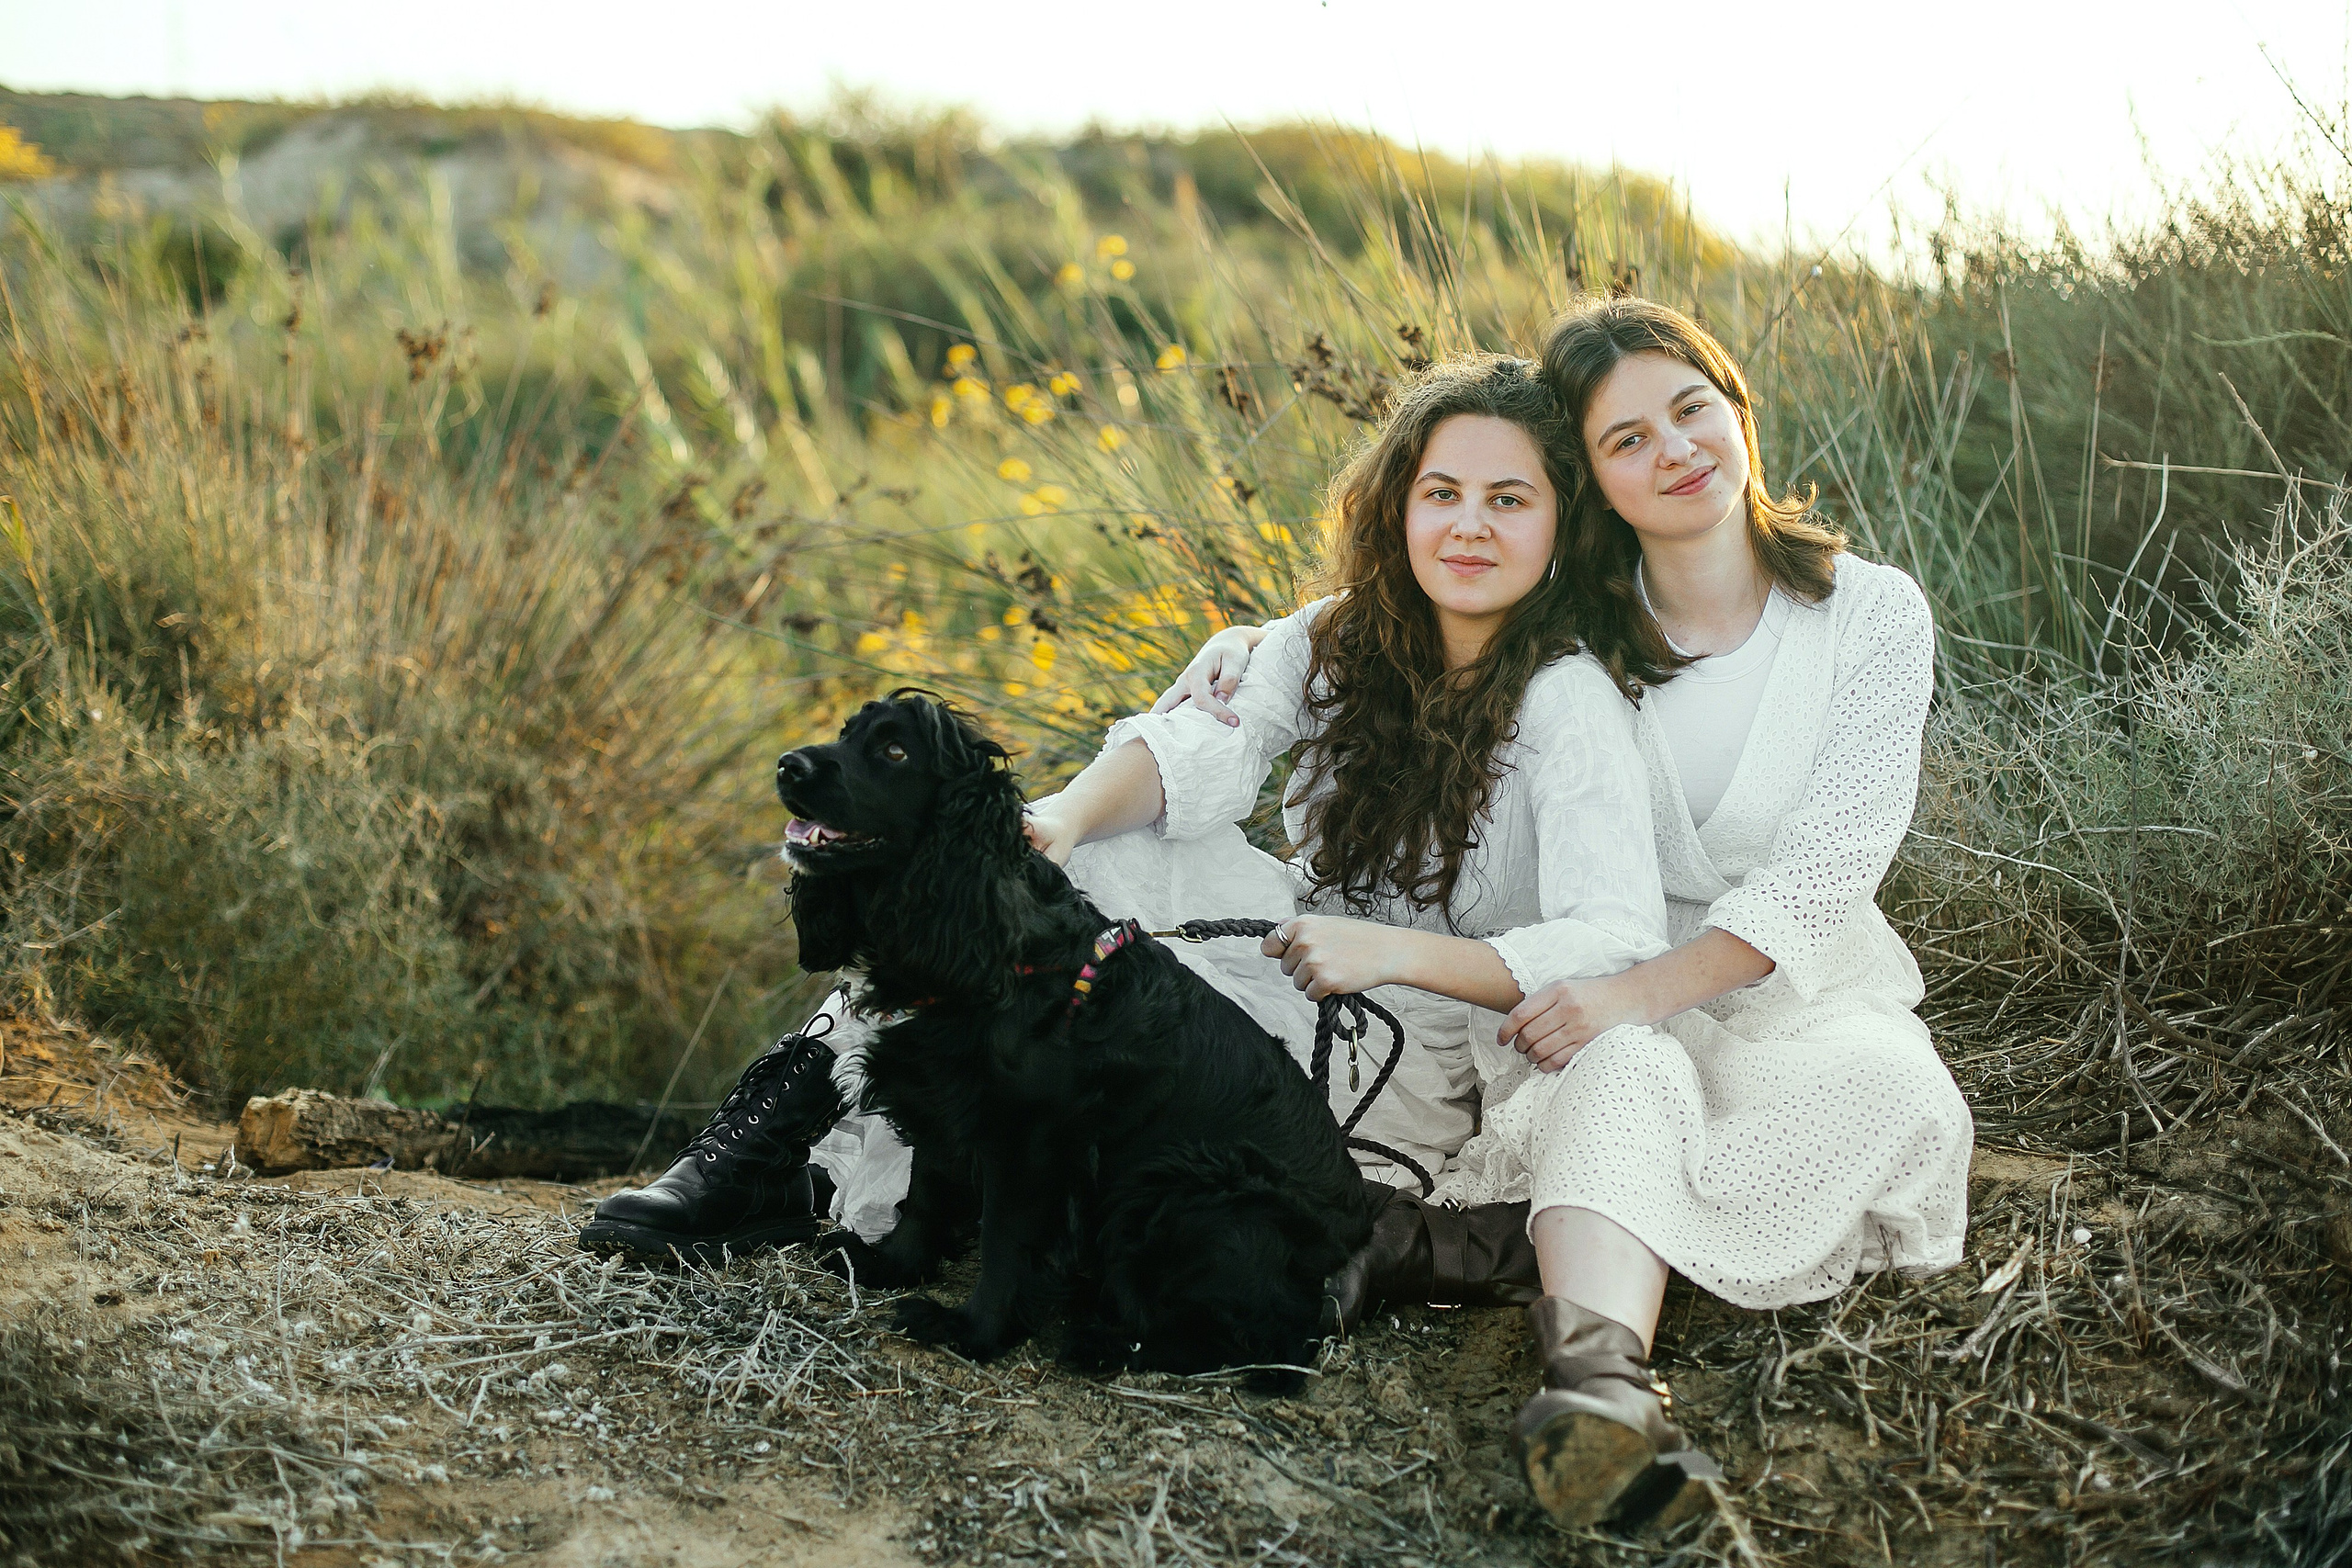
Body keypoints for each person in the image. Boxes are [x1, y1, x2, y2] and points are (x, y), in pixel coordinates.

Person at [592, 351, 1725, 1531]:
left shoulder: (1567, 700)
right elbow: (1203, 756)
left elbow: (1608, 935)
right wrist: (1059, 824)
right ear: (1397, 503)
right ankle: (781, 1123)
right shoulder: (1343, 635)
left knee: (1111, 989)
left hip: (1442, 1019)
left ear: (1559, 524)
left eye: (1510, 500)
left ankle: (1012, 1200)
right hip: (1310, 952)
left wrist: (1388, 954)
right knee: (1082, 862)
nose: (1469, 528)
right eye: (1442, 492)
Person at [1161, 298, 1973, 1527]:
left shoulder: (1870, 612)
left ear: (1735, 406)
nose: (1675, 451)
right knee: (1623, 1076)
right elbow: (1398, 605)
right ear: (1593, 481)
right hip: (1586, 971)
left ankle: (1430, 1246)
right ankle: (1600, 1396)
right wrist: (1248, 646)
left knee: (1894, 1092)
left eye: (1689, 410)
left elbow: (1828, 865)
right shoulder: (1575, 617)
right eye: (1626, 440)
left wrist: (1639, 988)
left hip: (1788, 979)